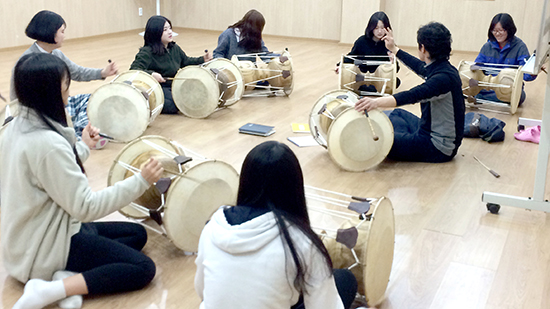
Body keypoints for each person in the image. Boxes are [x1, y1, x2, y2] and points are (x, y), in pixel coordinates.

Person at [3, 53, 163, 309]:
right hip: (43, 250)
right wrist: (141, 180)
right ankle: (51, 289)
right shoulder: (47, 144)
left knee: (136, 234)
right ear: (49, 93)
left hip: (27, 241)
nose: (68, 93)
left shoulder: (14, 127)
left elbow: (51, 171)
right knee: (142, 267)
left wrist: (84, 146)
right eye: (66, 87)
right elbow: (86, 208)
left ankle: (65, 275)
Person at [195, 141, 359, 309]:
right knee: (345, 280)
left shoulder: (213, 226)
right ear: (294, 188)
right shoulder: (301, 242)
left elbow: (202, 291)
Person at [354, 22, 464, 163]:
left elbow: (411, 95)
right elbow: (419, 66)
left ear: (422, 48)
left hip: (438, 147)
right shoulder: (443, 68)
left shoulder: (443, 79)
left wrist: (374, 102)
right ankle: (400, 137)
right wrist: (393, 49)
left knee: (378, 140)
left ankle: (396, 137)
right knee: (397, 114)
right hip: (427, 129)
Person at [9, 10, 118, 138]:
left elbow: (77, 72)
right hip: (41, 115)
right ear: (51, 33)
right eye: (62, 31)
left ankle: (80, 130)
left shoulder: (56, 54)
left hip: (59, 105)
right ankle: (79, 135)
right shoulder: (26, 62)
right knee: (77, 128)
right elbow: (15, 99)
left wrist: (103, 72)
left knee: (94, 99)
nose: (64, 36)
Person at [130, 15, 212, 114]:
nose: (170, 32)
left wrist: (202, 59)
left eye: (170, 28)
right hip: (158, 88)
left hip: (173, 85)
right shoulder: (146, 52)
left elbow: (185, 61)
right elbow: (134, 70)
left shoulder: (174, 47)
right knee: (174, 104)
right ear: (155, 32)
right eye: (165, 30)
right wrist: (152, 74)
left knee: (198, 93)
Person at [474, 13, 538, 106]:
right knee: (469, 88)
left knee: (520, 96)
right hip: (488, 87)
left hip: (509, 88)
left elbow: (526, 76)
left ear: (509, 30)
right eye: (494, 30)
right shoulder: (487, 46)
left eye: (500, 30)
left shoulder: (520, 46)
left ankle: (481, 98)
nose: (497, 34)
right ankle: (487, 97)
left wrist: (534, 70)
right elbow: (478, 66)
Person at [336, 11, 401, 93]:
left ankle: (369, 87)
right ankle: (368, 87)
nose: (380, 31)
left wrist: (392, 62)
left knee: (396, 81)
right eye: (376, 28)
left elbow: (396, 69)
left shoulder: (389, 44)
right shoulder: (362, 41)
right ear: (371, 27)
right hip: (361, 75)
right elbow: (351, 57)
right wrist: (340, 65)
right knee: (353, 78)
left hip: (379, 77)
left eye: (382, 28)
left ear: (387, 28)